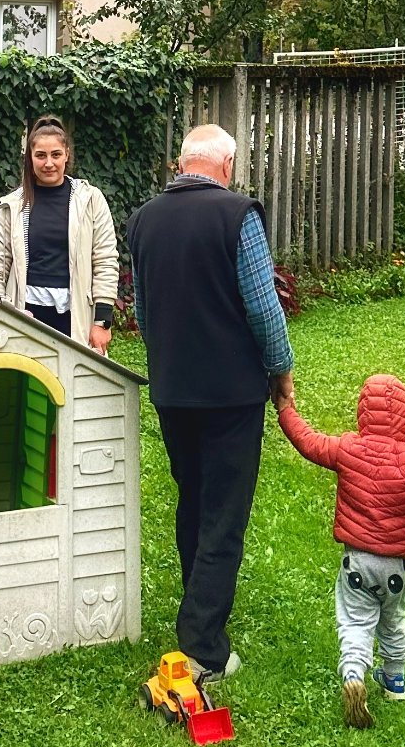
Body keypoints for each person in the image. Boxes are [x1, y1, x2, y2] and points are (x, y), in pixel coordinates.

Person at [126, 122, 294, 683]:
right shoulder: (237, 213)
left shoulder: (144, 218)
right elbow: (263, 306)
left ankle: (197, 605)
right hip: (230, 394)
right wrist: (281, 372)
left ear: (181, 164)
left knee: (193, 500)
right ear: (225, 166)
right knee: (224, 514)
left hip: (173, 390)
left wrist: (169, 361)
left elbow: (144, 311)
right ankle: (204, 648)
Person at [277, 373, 405, 727]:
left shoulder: (346, 448)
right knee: (393, 619)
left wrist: (285, 409)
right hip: (396, 570)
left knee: (355, 622)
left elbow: (308, 442)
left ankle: (354, 675)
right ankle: (395, 680)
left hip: (357, 563)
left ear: (363, 414)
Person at [0, 116, 118, 350]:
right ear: (30, 158)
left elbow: (105, 260)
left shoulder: (90, 200)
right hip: (25, 315)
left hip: (75, 317)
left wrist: (102, 322)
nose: (48, 163)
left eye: (55, 154)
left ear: (67, 154)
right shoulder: (12, 206)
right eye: (40, 156)